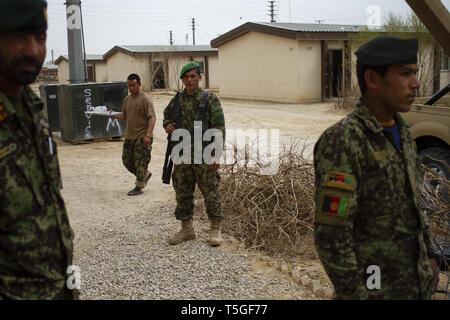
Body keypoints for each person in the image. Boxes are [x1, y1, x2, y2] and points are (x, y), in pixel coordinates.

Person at [313, 35, 440, 300]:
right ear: (372, 79)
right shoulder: (344, 140)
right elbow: (332, 235)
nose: (416, 84)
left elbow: (413, 204)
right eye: (405, 74)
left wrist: (429, 254)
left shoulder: (403, 132)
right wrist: (355, 293)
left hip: (414, 285)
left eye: (414, 73)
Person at [0, 0, 76, 299]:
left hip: (58, 285)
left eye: (40, 37)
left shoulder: (32, 108)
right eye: (19, 36)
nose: (33, 50)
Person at [163, 62, 225, 246]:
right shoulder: (177, 100)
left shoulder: (210, 99)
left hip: (205, 154)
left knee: (210, 191)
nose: (189, 80)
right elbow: (167, 116)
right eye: (186, 77)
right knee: (182, 191)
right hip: (182, 154)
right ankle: (187, 229)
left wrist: (216, 154)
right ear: (182, 79)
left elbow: (219, 128)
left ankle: (215, 229)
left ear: (200, 77)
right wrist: (167, 125)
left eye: (193, 76)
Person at [110, 74, 156, 196]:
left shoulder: (145, 99)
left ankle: (138, 187)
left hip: (142, 137)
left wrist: (148, 135)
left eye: (133, 85)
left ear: (139, 84)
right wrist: (113, 115)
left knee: (140, 162)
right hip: (129, 136)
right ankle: (145, 174)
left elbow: (152, 117)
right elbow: (125, 116)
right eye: (129, 85)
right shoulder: (127, 99)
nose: (131, 88)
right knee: (127, 161)